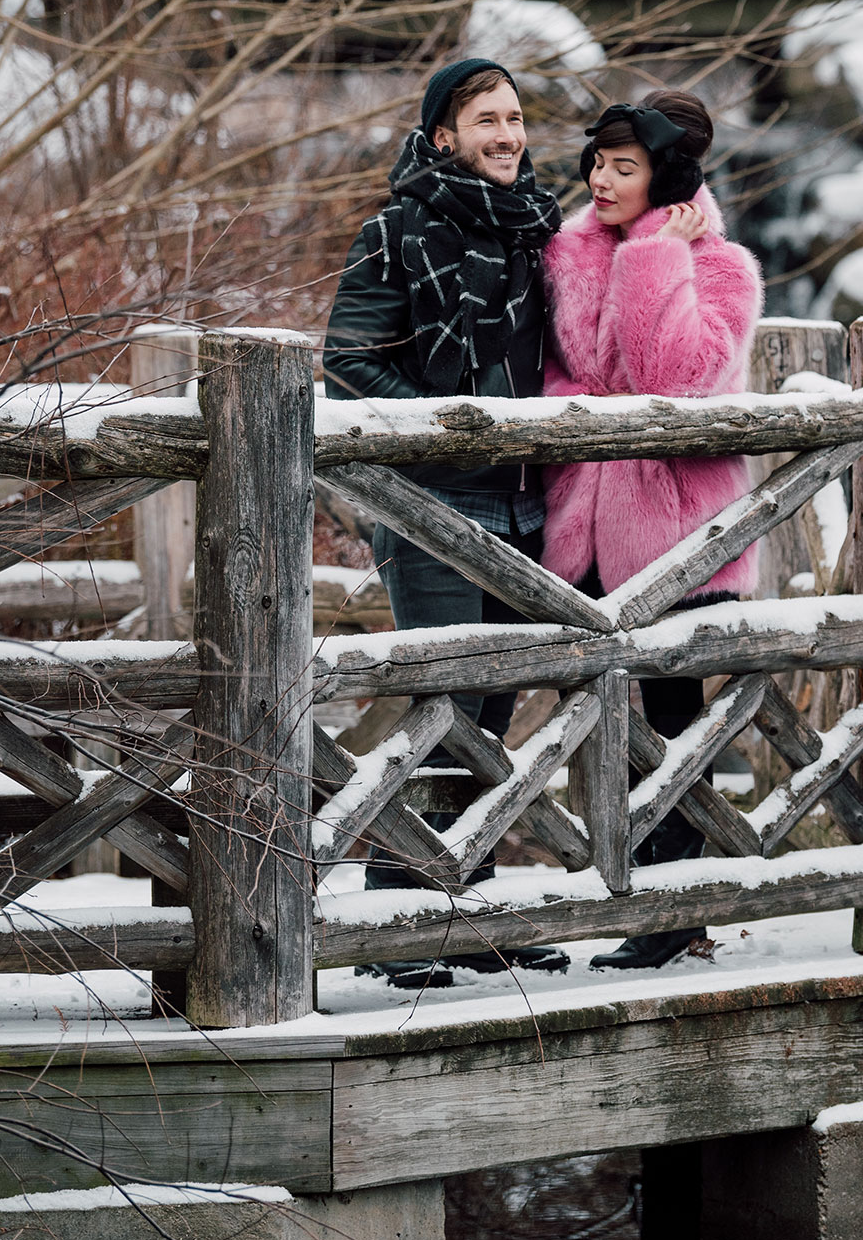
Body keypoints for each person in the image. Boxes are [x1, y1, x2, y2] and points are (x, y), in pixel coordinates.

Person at [323, 57, 567, 986]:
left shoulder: (538, 232)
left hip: (523, 502)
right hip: (430, 503)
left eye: (514, 119)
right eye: (486, 120)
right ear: (443, 137)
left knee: (492, 718)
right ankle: (401, 920)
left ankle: (468, 912)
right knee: (443, 708)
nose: (507, 135)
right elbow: (347, 361)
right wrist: (451, 426)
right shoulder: (396, 231)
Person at [540, 89, 764, 971]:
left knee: (674, 721)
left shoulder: (721, 268)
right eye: (596, 162)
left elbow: (680, 375)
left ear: (665, 181)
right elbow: (551, 377)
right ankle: (608, 891)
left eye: (623, 167)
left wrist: (652, 261)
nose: (600, 178)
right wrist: (582, 413)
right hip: (583, 527)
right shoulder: (566, 257)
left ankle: (676, 915)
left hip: (680, 537)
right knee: (588, 718)